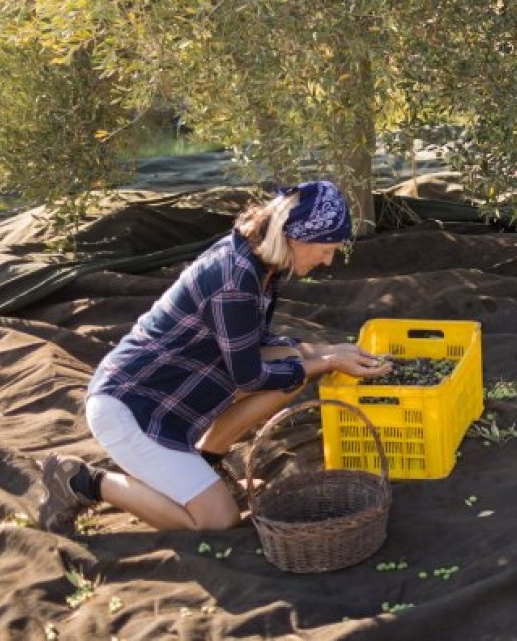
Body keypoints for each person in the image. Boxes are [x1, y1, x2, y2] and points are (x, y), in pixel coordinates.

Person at [32, 180, 386, 532]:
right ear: (296, 236)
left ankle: (207, 459)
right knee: (218, 521)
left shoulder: (261, 265)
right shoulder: (235, 280)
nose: (328, 260)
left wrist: (327, 351)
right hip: (132, 409)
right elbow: (249, 376)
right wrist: (326, 362)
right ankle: (82, 481)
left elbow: (255, 343)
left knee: (294, 371)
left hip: (173, 397)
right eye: (326, 249)